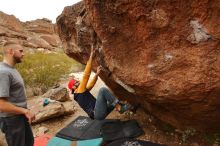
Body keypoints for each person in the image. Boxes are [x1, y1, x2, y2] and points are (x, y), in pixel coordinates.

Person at [68, 46, 132, 120]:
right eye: (75, 82)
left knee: (113, 98)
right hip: (97, 114)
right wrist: (91, 57)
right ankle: (119, 108)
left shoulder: (81, 93)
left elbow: (91, 85)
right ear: (73, 87)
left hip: (100, 112)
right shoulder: (79, 91)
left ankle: (129, 107)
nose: (77, 81)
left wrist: (96, 74)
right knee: (103, 90)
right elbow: (86, 76)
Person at [0, 42, 35, 146]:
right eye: (20, 51)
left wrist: (24, 112)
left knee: (29, 143)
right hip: (11, 120)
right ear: (11, 51)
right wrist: (25, 111)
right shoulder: (3, 72)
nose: (23, 54)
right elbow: (1, 104)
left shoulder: (11, 70)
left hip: (20, 116)